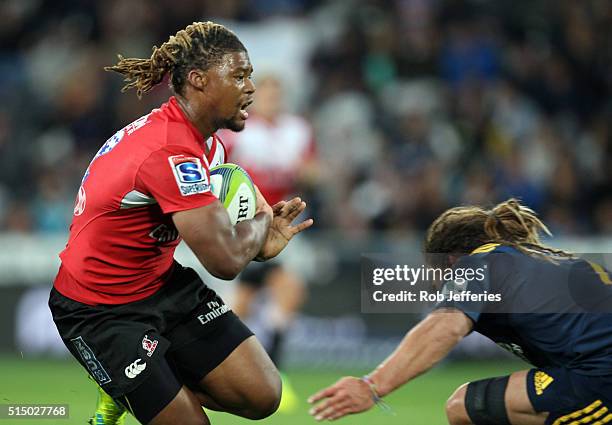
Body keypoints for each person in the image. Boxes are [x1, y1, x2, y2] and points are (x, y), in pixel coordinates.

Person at [48, 21, 313, 425]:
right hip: (99, 308)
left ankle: (136, 388)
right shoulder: (170, 153)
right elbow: (224, 261)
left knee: (262, 395)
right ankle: (129, 385)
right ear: (198, 80)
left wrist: (258, 237)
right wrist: (263, 221)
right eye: (239, 76)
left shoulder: (210, 143)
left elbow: (234, 246)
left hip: (160, 283)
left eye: (251, 76)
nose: (251, 87)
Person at [309, 198, 612, 425]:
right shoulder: (536, 260)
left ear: (450, 260)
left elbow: (445, 327)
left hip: (599, 375)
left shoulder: (476, 264)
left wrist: (372, 385)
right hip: (589, 369)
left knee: (465, 406)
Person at [218, 74, 318, 411]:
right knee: (237, 307)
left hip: (282, 223)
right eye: (268, 93)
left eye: (278, 92)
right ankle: (225, 370)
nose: (273, 99)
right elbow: (218, 168)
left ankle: (274, 371)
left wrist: (312, 171)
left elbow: (313, 168)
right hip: (244, 225)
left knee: (289, 291)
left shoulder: (297, 130)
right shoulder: (237, 130)